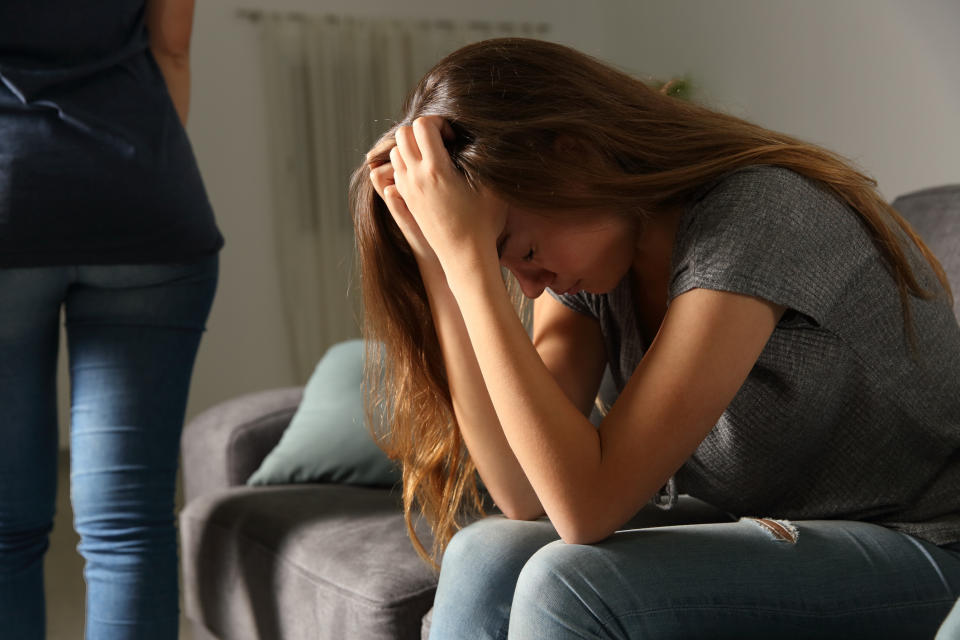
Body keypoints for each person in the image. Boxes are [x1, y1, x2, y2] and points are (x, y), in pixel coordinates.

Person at [350, 38, 960, 638]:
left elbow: (585, 510)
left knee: (570, 584)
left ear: (576, 157)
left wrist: (469, 262)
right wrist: (440, 260)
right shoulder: (593, 260)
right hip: (784, 525)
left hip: (926, 543)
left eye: (524, 251)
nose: (530, 290)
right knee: (485, 554)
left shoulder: (756, 218)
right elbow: (521, 490)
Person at [0, 1, 222, 638]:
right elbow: (173, 48)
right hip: (143, 203)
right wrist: (136, 179)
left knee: (7, 529)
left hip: (9, 201)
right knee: (128, 527)